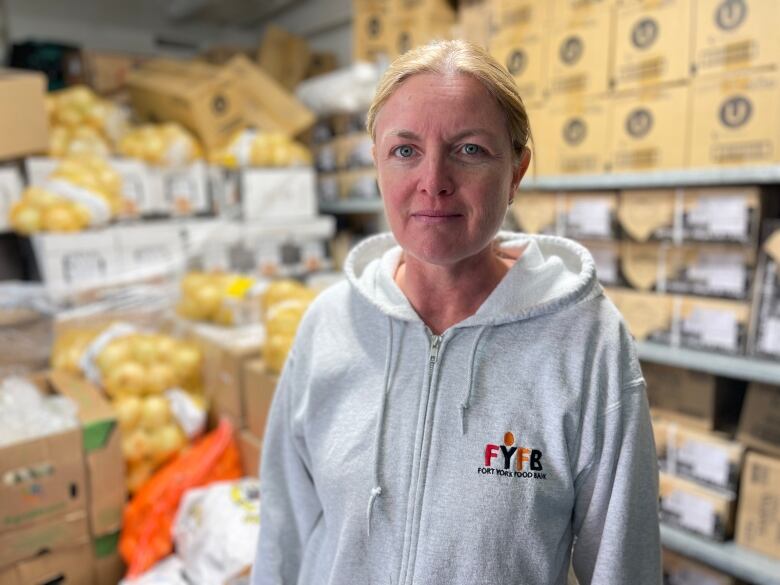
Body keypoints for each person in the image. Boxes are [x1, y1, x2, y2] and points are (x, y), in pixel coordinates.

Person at [251, 40, 661, 585]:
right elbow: (283, 536)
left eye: (468, 150)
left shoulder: (587, 343)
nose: (433, 180)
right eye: (404, 150)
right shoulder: (329, 325)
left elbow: (624, 565)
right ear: (376, 163)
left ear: (516, 171)